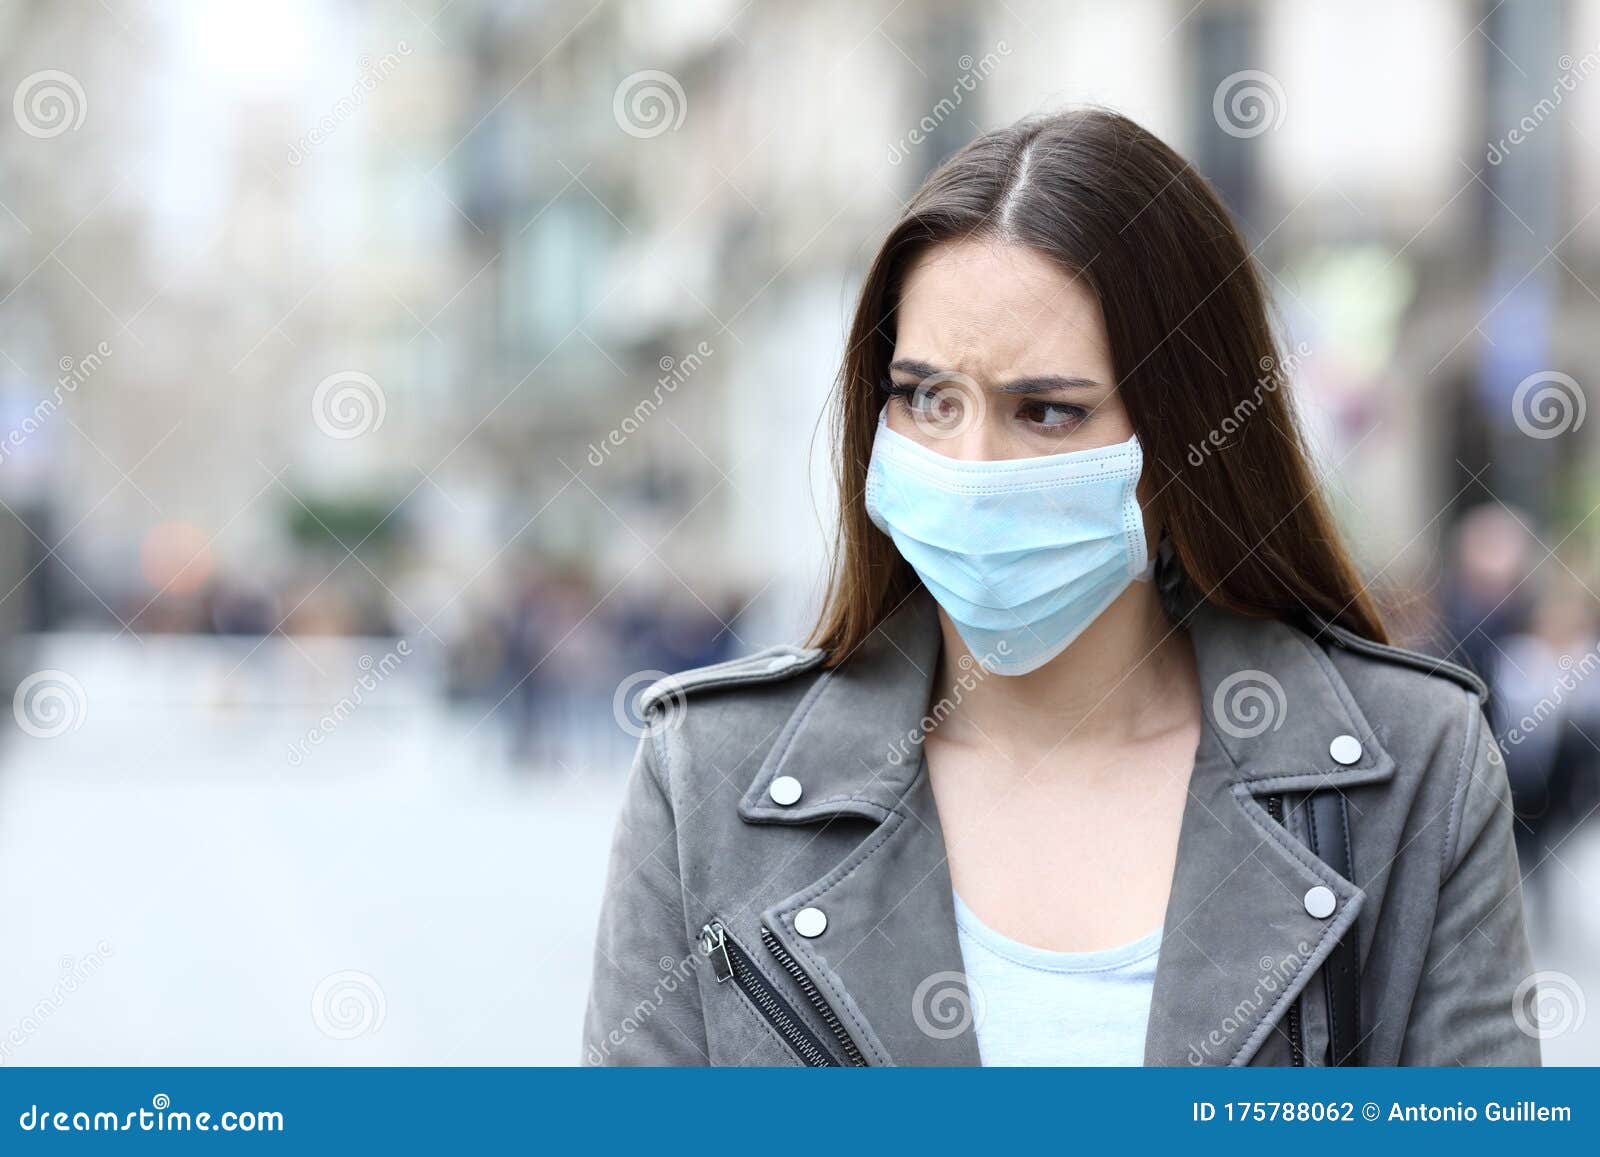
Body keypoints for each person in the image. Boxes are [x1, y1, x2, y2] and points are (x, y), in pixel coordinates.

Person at [583, 109, 1537, 1067]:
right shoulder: (707, 777)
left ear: (1187, 438)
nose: (972, 465)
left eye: (1045, 410)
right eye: (926, 396)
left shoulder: (1413, 773)